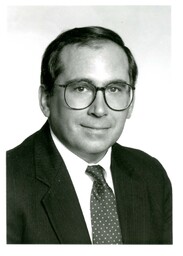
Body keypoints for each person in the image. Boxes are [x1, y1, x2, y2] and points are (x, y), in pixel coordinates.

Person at [6, 26, 172, 244]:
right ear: (46, 100)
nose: (100, 110)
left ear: (131, 103)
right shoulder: (8, 183)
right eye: (81, 88)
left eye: (114, 89)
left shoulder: (151, 175)